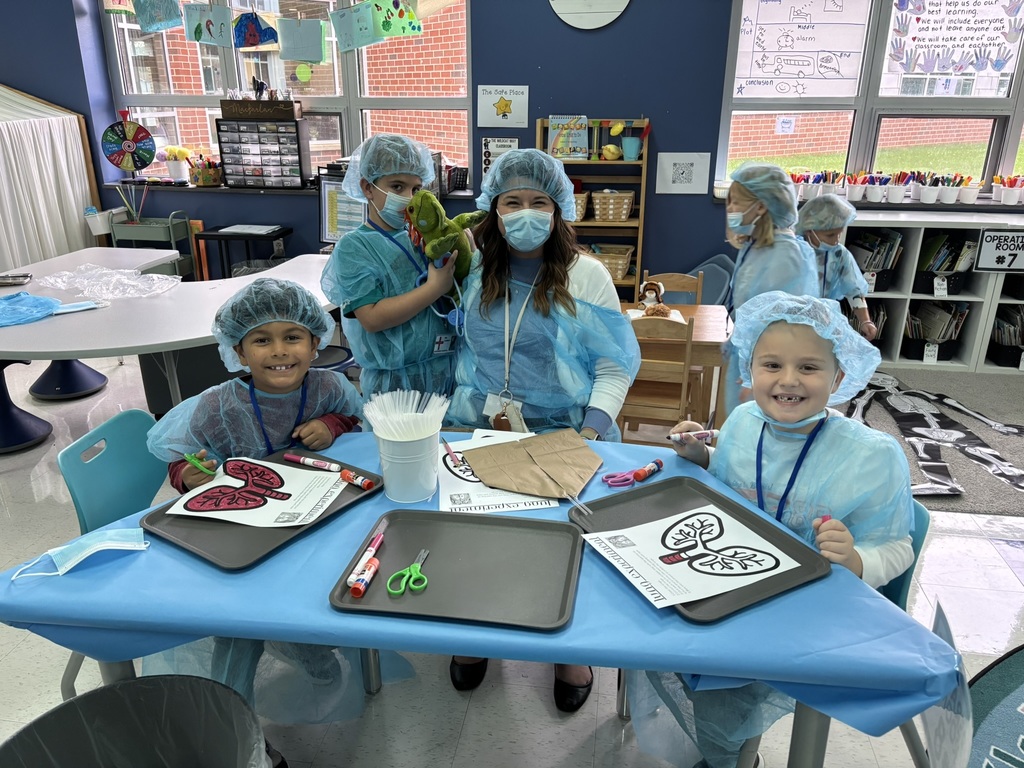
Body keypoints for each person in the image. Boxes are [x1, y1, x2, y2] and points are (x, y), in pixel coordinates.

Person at [629, 292, 915, 768]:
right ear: (750, 369)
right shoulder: (743, 420)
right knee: (649, 627)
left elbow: (897, 545)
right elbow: (737, 473)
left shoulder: (871, 458)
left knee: (725, 693)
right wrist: (704, 455)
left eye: (808, 368)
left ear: (840, 376)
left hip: (803, 610)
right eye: (771, 365)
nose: (787, 381)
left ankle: (733, 757)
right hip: (722, 581)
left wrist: (859, 559)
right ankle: (718, 744)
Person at [445, 147, 640, 710]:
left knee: (563, 543)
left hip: (564, 432)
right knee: (476, 540)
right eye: (512, 202)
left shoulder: (588, 274)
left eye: (538, 202)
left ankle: (567, 647)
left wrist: (595, 429)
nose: (525, 213)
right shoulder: (473, 268)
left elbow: (614, 363)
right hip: (477, 426)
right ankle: (476, 630)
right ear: (492, 208)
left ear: (559, 211)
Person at [146, 277, 364, 758]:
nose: (279, 351)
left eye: (293, 337)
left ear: (316, 340)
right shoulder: (218, 406)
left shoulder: (329, 386)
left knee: (316, 598)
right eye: (262, 340)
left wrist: (332, 424)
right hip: (240, 537)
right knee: (239, 629)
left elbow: (356, 423)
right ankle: (234, 729)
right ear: (238, 351)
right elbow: (180, 461)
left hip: (316, 522)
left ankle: (315, 654)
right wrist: (193, 477)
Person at [320, 133, 460, 400]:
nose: (409, 199)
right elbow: (372, 319)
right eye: (397, 187)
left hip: (446, 371)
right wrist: (433, 288)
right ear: (368, 187)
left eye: (416, 189)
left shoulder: (421, 236)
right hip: (393, 386)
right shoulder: (355, 247)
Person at [722, 163, 820, 416]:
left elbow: (780, 326)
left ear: (761, 206)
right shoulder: (757, 247)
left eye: (735, 203)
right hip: (752, 358)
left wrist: (757, 377)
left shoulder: (785, 256)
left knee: (759, 433)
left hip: (768, 367)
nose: (730, 210)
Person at [796, 193, 877, 340]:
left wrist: (866, 320)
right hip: (790, 320)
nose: (835, 241)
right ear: (809, 229)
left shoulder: (839, 254)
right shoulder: (792, 251)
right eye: (830, 235)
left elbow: (854, 290)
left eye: (839, 234)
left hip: (823, 320)